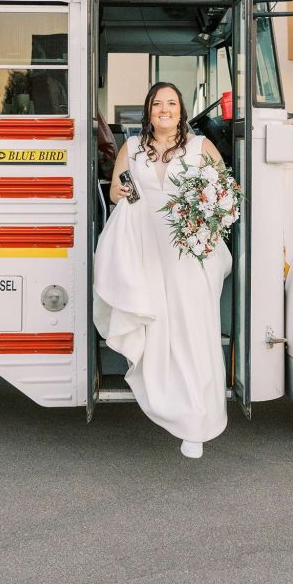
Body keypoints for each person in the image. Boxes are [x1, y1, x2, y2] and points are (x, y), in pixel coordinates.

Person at [93, 81, 231, 459]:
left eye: (171, 103)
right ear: (149, 110)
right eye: (157, 103)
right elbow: (116, 190)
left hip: (188, 253)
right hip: (146, 249)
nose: (164, 109)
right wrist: (121, 192)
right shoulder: (132, 147)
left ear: (181, 109)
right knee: (157, 331)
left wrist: (203, 219)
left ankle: (197, 422)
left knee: (193, 331)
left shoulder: (201, 147)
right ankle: (168, 404)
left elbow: (224, 193)